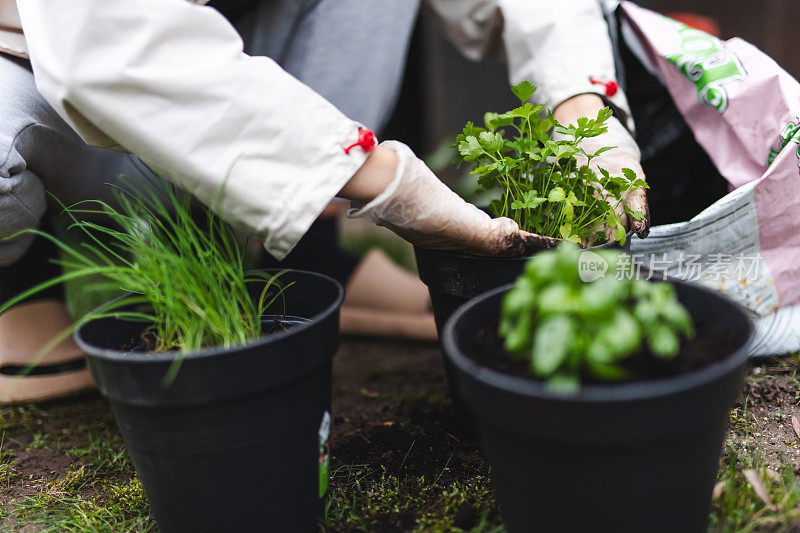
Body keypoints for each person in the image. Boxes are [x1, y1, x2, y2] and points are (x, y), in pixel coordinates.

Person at [0, 0, 649, 402]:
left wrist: (578, 100)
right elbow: (99, 49)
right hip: (52, 96)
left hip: (232, 56)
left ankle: (307, 250)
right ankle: (19, 285)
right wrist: (390, 183)